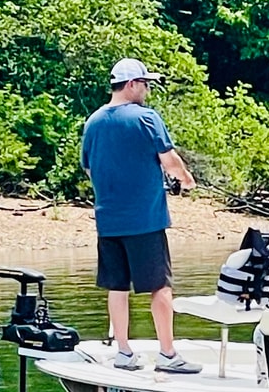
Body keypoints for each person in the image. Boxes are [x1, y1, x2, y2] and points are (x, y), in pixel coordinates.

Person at [80, 58, 201, 374]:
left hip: (108, 222)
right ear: (131, 84)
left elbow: (90, 168)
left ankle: (123, 352)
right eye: (145, 84)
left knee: (117, 287)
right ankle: (168, 354)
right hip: (145, 221)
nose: (147, 90)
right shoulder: (147, 118)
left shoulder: (92, 122)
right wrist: (187, 180)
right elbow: (170, 160)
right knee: (160, 286)